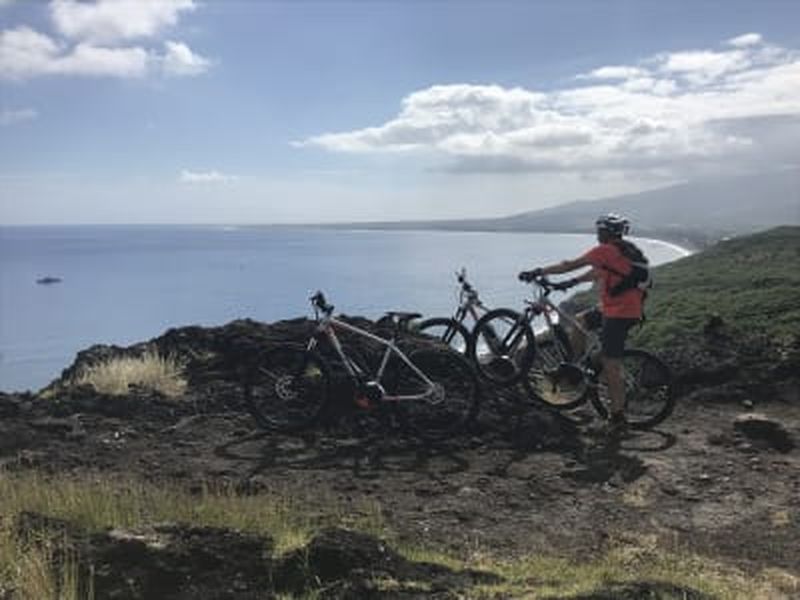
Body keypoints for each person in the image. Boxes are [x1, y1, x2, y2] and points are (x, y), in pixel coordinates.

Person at [518, 213, 644, 435]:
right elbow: (599, 271)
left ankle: (618, 419)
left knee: (610, 364)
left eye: (599, 230)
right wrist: (572, 282)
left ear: (607, 232)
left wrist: (538, 271)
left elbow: (570, 264)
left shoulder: (605, 249)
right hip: (619, 308)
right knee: (580, 321)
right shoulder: (625, 250)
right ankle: (575, 367)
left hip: (620, 313)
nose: (597, 234)